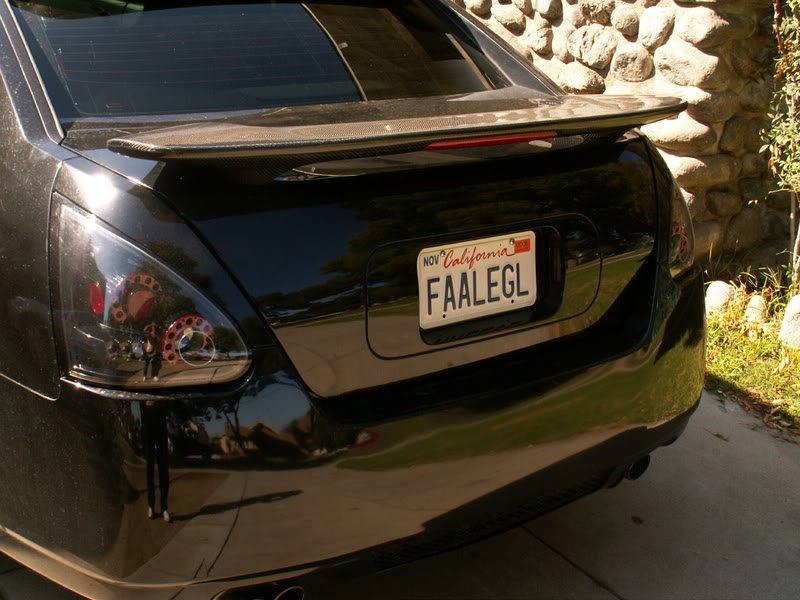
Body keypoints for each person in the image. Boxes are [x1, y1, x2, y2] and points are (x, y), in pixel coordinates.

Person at [141, 400, 170, 522]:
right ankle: (151, 505)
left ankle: (164, 508)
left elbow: (166, 404)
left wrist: (157, 403)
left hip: (161, 430)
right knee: (149, 470)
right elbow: (143, 404)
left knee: (163, 470)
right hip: (148, 430)